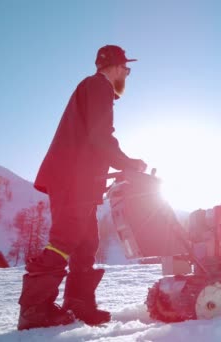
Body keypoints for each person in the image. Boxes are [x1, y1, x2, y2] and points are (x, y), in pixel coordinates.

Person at [17, 45, 147, 330]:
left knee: (86, 242)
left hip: (79, 178)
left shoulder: (92, 88)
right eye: (127, 68)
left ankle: (79, 304)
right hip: (72, 176)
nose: (127, 73)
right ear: (115, 66)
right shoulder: (98, 86)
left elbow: (94, 139)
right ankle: (34, 311)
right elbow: (101, 135)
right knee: (65, 238)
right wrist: (128, 163)